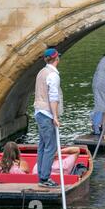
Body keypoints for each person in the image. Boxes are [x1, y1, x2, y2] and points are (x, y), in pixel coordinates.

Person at [34, 48, 63, 188]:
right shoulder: (53, 75)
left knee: (42, 146)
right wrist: (55, 117)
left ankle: (41, 175)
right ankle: (44, 178)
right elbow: (53, 97)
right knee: (50, 147)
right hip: (47, 114)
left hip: (39, 113)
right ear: (57, 59)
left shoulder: (41, 72)